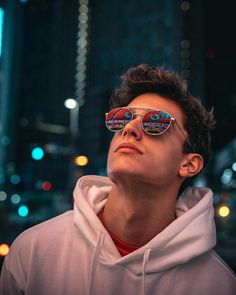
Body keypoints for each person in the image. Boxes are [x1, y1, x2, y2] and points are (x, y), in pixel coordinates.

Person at [0, 64, 235, 295]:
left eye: (155, 123)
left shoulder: (218, 285)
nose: (129, 128)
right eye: (121, 119)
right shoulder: (33, 252)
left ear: (189, 164)